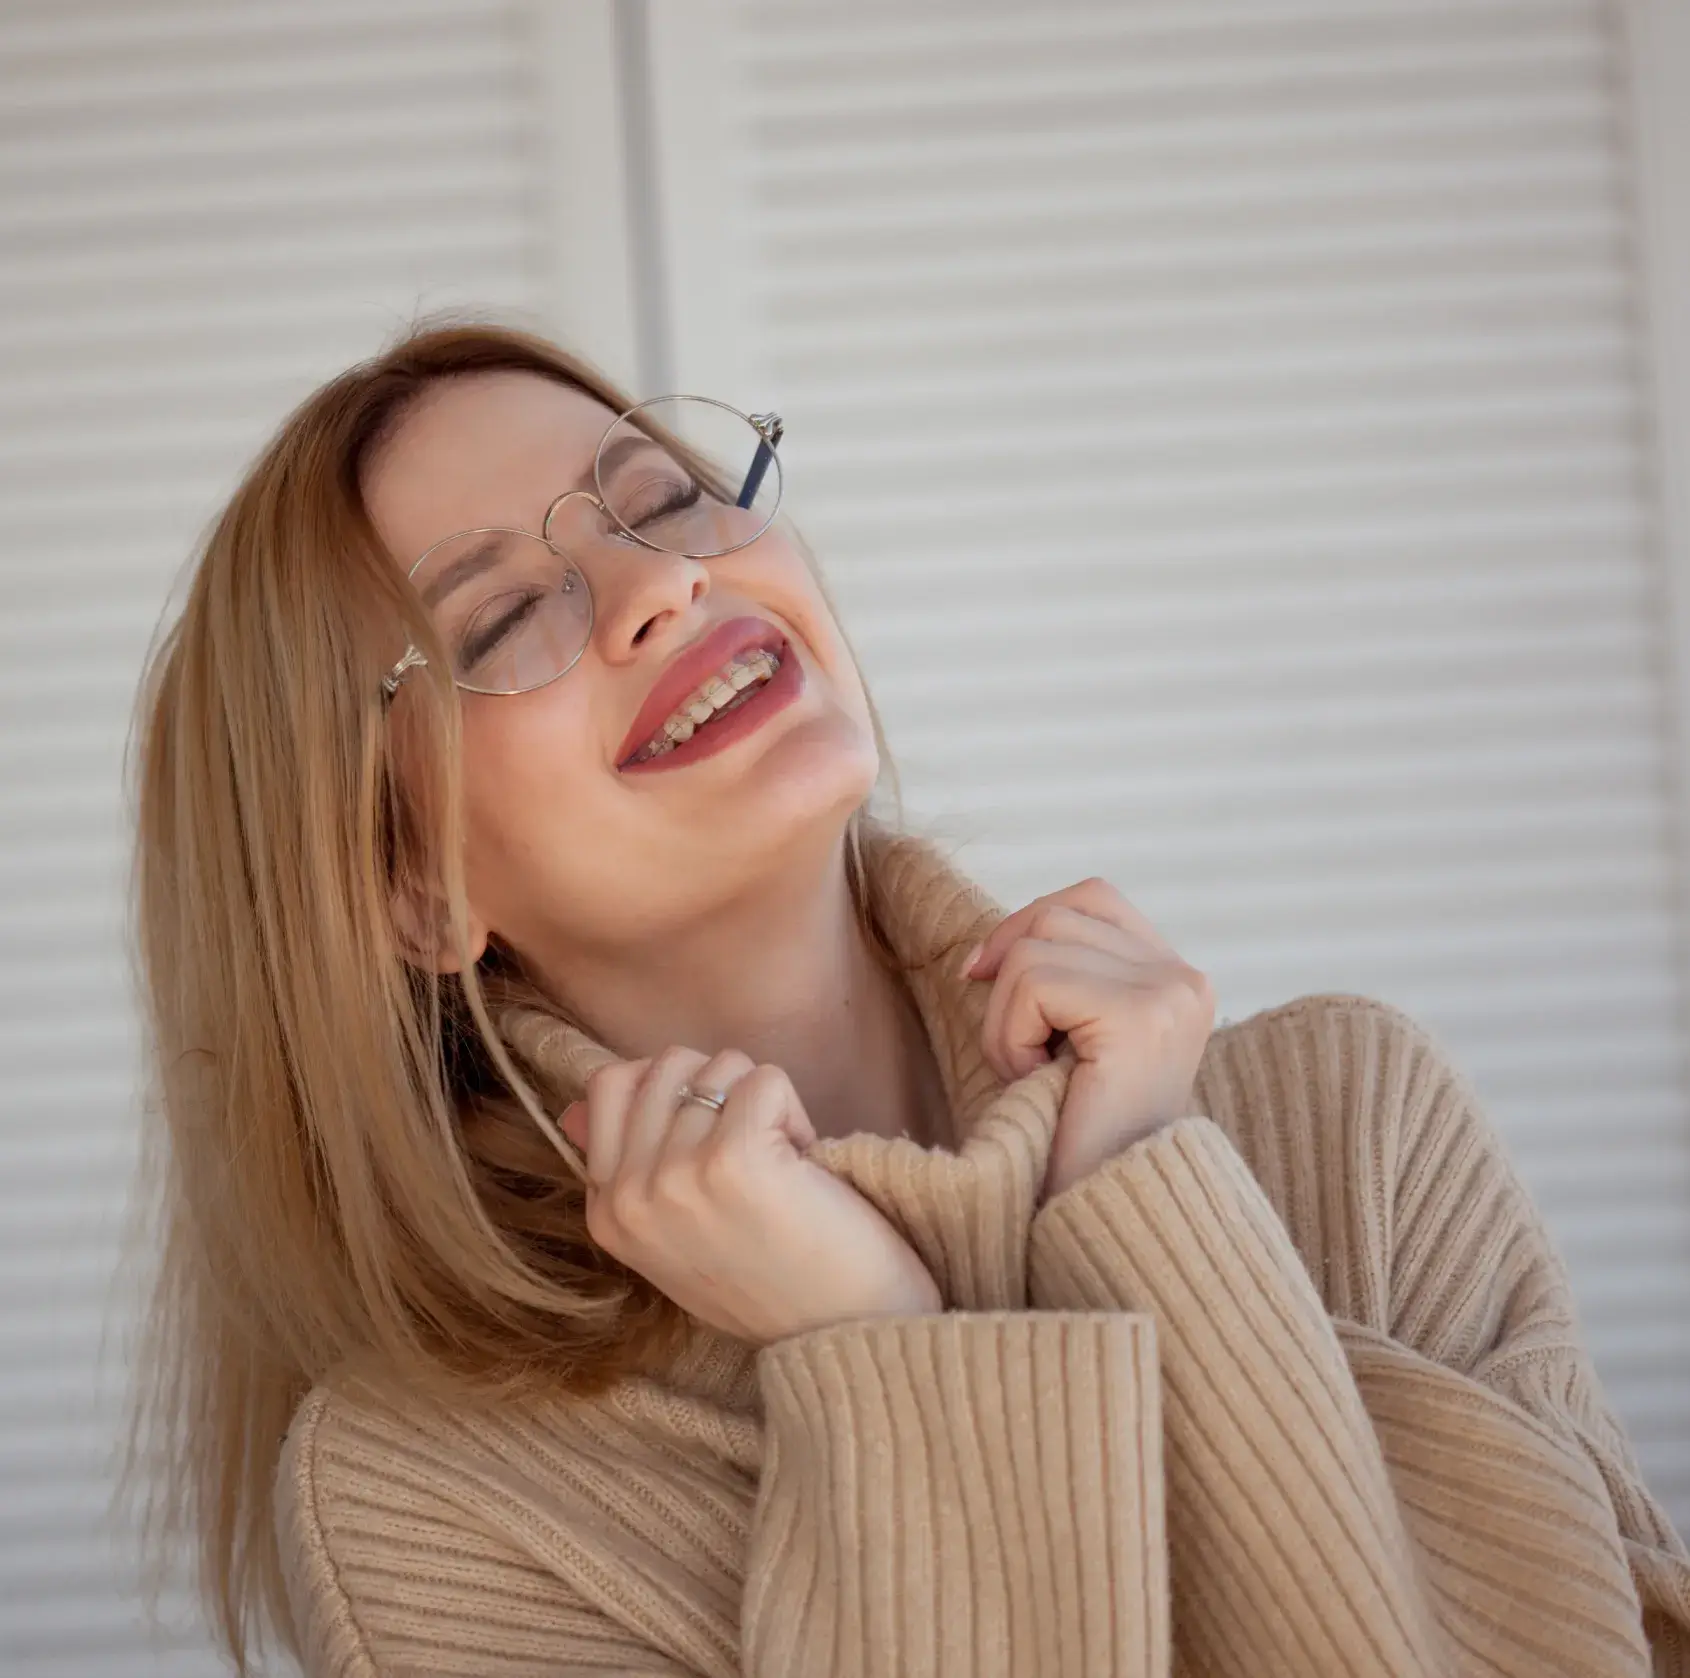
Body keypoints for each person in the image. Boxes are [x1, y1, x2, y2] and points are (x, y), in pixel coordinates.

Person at [125, 319, 1690, 1678]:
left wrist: (1148, 1196)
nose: (657, 581)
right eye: (496, 617)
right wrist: (877, 1345)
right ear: (413, 889)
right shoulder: (433, 1497)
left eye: (662, 495)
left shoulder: (1356, 1119)